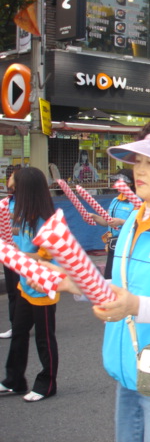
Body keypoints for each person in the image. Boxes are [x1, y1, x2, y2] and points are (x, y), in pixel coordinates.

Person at [36, 118, 150, 441]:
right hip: (129, 371)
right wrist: (71, 282)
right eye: (138, 161)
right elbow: (121, 288)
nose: (139, 170)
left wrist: (135, 306)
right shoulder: (134, 220)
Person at [0, 167, 58, 402]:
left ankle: (47, 384)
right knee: (19, 333)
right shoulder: (22, 213)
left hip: (42, 285)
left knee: (44, 338)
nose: (11, 190)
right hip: (25, 284)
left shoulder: (45, 220)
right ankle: (14, 381)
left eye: (15, 187)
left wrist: (11, 255)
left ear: (27, 190)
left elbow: (46, 256)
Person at [91, 169, 137, 279]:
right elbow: (106, 221)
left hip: (126, 246)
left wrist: (121, 222)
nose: (117, 184)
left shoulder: (137, 202)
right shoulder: (115, 200)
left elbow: (139, 224)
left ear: (130, 183)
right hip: (112, 245)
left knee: (122, 277)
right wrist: (94, 217)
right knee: (109, 277)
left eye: (121, 181)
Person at [0, 166, 20, 339]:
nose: (8, 182)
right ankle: (15, 325)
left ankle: (28, 322)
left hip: (26, 254)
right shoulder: (6, 202)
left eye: (11, 178)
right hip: (9, 252)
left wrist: (13, 220)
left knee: (25, 290)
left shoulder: (29, 202)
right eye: (7, 177)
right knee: (13, 291)